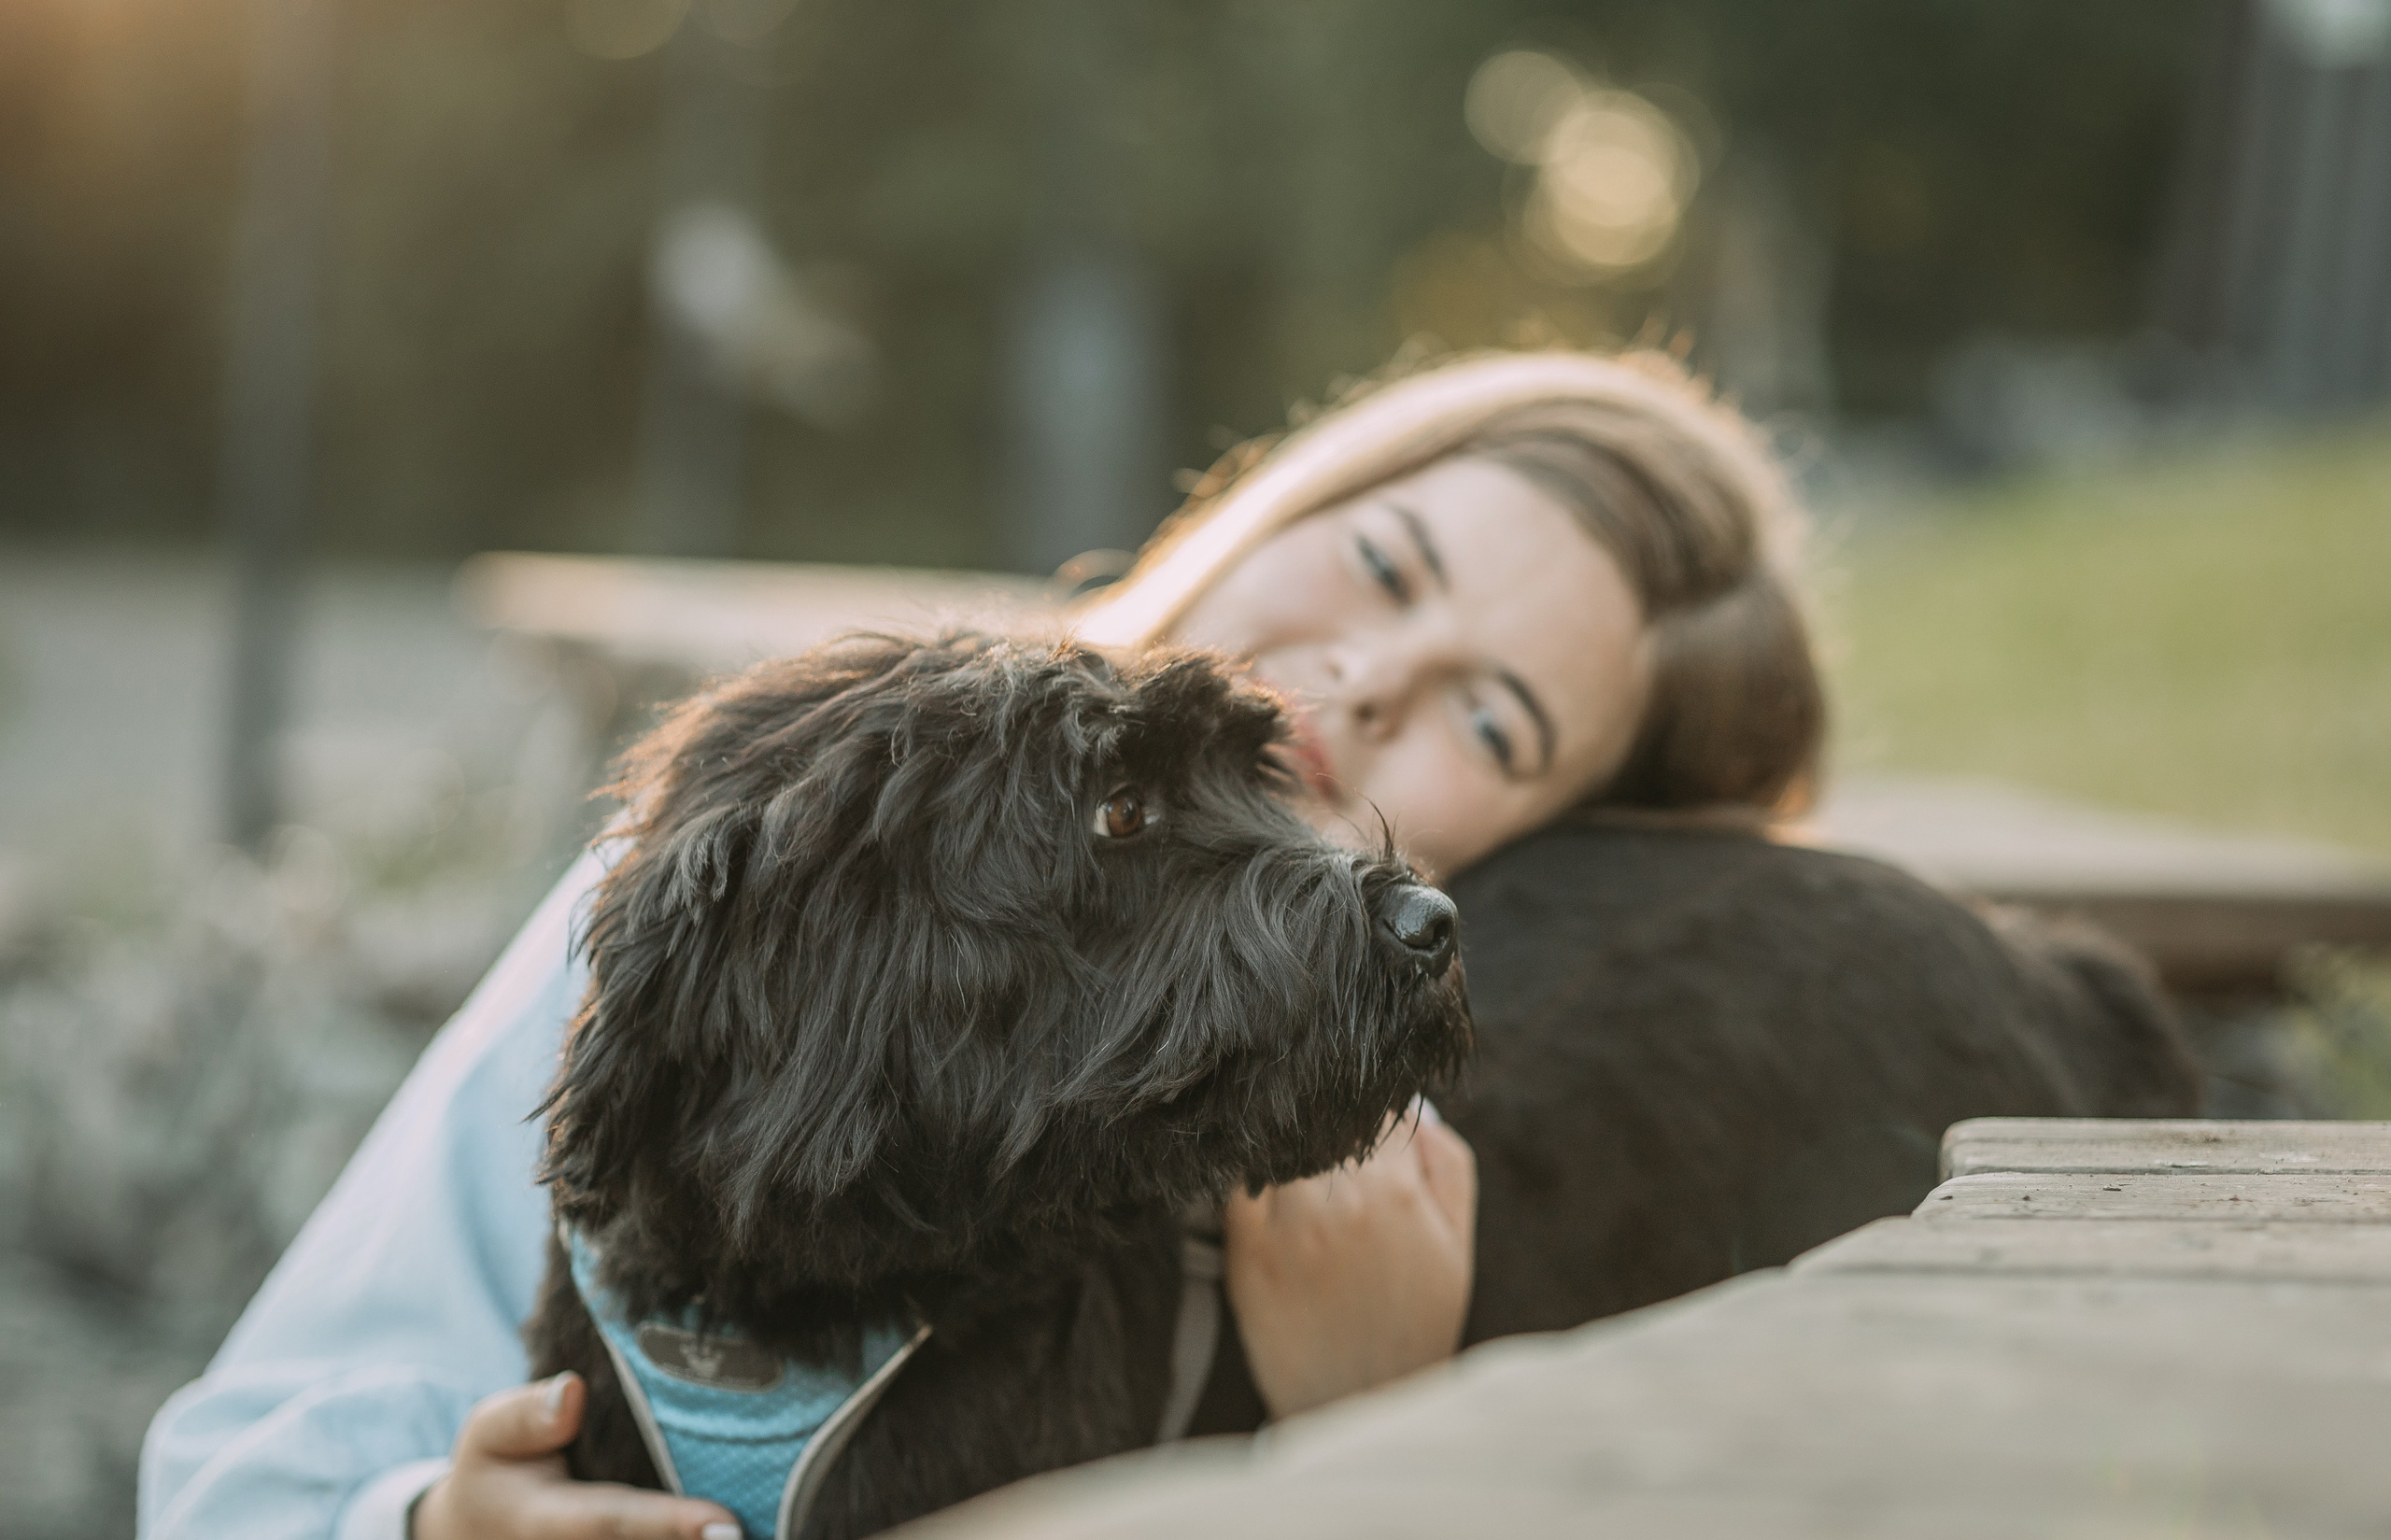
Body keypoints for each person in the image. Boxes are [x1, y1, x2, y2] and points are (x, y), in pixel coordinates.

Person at [140, 349, 1823, 1540]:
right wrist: (427, 1520)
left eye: (1499, 722)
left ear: (1552, 849)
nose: (1373, 683)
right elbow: (232, 1475)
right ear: (1286, 504)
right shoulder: (766, 879)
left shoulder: (1448, 1128)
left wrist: (1367, 1432)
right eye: (1388, 565)